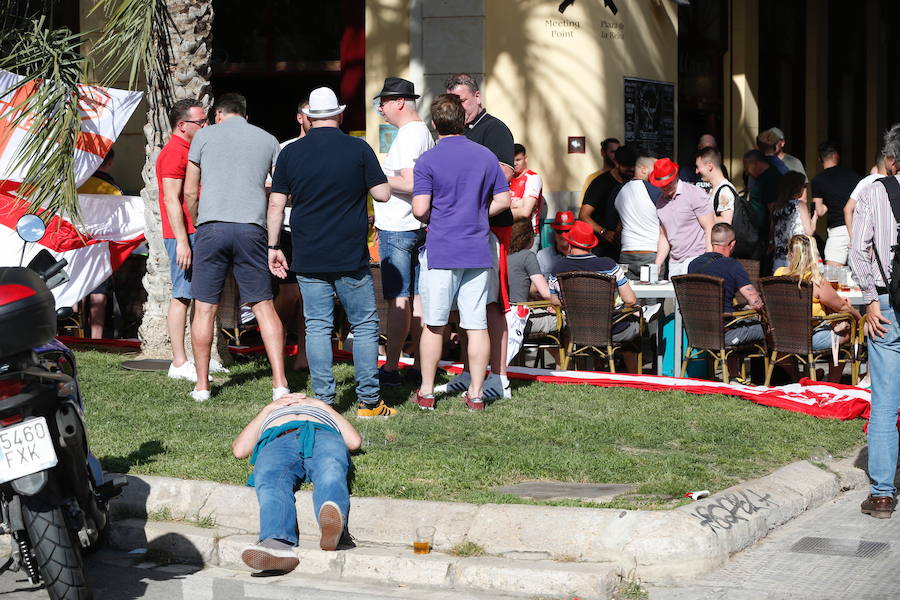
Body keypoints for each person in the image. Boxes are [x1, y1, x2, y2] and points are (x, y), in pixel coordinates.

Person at [269, 87, 395, 418]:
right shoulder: (358, 148)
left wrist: (272, 246)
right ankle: (369, 402)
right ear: (339, 116)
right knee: (365, 325)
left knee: (317, 325)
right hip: (350, 254)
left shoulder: (290, 153)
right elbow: (382, 195)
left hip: (308, 252)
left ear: (309, 118)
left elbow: (276, 202)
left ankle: (324, 400)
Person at [409, 93, 511, 411]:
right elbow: (505, 200)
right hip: (478, 247)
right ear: (464, 120)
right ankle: (477, 394)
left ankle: (426, 392)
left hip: (442, 248)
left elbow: (420, 208)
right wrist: (478, 213)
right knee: (476, 323)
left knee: (435, 323)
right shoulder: (484, 157)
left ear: (435, 124)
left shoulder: (428, 160)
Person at [184, 93, 287, 402]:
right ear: (246, 114)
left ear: (218, 115)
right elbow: (279, 191)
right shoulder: (269, 140)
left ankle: (202, 385)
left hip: (211, 227)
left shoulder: (203, 136)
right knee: (263, 305)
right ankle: (280, 383)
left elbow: (190, 191)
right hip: (251, 228)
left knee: (204, 307)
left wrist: (199, 218)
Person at [442, 73, 515, 398]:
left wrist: (465, 195)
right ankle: (469, 371)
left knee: (492, 303)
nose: (459, 107)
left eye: (463, 100)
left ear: (478, 97)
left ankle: (499, 378)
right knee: (464, 303)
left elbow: (505, 173)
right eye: (453, 102)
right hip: (461, 228)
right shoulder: (455, 132)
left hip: (491, 227)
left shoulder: (494, 129)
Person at [233, 392, 361, 572]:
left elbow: (354, 441)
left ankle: (333, 529)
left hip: (322, 434)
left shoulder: (322, 410)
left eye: (302, 398)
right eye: (288, 398)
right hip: (278, 439)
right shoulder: (271, 413)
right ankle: (275, 545)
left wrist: (322, 406)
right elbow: (240, 449)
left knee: (330, 470)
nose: (294, 400)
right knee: (270, 479)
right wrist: (268, 409)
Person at [848, 123, 900, 518]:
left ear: (890, 159)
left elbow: (858, 252)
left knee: (884, 400)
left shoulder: (872, 193)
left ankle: (882, 493)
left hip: (887, 305)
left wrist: (869, 300)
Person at [372, 77, 434, 388]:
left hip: (399, 226)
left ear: (399, 103)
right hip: (415, 226)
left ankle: (392, 367)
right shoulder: (420, 132)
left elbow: (411, 184)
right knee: (419, 300)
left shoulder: (410, 134)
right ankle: (420, 366)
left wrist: (375, 176)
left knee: (399, 300)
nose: (379, 108)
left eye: (383, 102)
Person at [154, 99, 212, 382]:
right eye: (201, 122)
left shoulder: (191, 149)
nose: (206, 125)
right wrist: (182, 241)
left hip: (195, 231)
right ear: (182, 125)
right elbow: (170, 200)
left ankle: (198, 357)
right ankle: (178, 361)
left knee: (197, 295)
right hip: (182, 234)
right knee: (181, 295)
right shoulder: (173, 152)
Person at [547, 220, 641, 373]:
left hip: (576, 331)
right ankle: (634, 376)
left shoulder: (557, 268)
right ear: (592, 245)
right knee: (635, 320)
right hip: (611, 330)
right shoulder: (609, 265)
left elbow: (555, 302)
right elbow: (630, 300)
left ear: (569, 244)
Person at [774, 234, 861, 382]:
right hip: (809, 338)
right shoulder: (814, 281)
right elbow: (842, 307)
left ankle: (798, 379)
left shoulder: (779, 274)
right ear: (812, 255)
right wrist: (860, 319)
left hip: (781, 337)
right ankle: (833, 382)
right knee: (850, 332)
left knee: (838, 327)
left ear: (789, 253)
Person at [687, 223, 765, 380]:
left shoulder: (693, 265)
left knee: (733, 319)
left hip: (697, 332)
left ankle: (734, 376)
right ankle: (768, 379)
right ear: (732, 244)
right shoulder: (733, 265)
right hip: (725, 334)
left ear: (712, 242)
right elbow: (756, 304)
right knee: (767, 328)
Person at [272, 99, 312, 372]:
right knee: (289, 295)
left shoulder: (325, 149)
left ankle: (304, 357)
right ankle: (277, 342)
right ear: (300, 118)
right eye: (310, 115)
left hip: (312, 232)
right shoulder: (284, 149)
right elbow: (275, 190)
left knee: (309, 295)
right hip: (286, 230)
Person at [78, 148, 123, 339]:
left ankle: (74, 332)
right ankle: (96, 337)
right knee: (99, 291)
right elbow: (120, 222)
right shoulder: (113, 190)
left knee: (77, 288)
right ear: (110, 163)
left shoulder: (78, 184)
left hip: (76, 244)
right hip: (100, 247)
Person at [652, 158, 715, 276]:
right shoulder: (660, 202)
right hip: (675, 262)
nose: (665, 187)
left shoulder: (694, 193)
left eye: (668, 183)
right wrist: (658, 263)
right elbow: (664, 235)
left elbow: (709, 227)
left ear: (676, 177)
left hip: (697, 258)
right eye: (661, 185)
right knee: (673, 294)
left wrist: (708, 258)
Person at [579, 144, 636, 259]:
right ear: (616, 163)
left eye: (633, 165)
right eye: (626, 165)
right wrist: (604, 232)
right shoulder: (600, 183)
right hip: (602, 248)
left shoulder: (634, 182)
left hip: (628, 247)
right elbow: (583, 215)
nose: (631, 169)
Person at [811, 140, 861, 266]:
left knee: (832, 276)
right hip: (857, 227)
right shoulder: (854, 176)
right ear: (836, 156)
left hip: (838, 230)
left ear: (819, 159)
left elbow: (820, 210)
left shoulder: (817, 180)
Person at [507, 218, 559, 337]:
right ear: (529, 238)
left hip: (504, 317)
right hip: (520, 318)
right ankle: (567, 356)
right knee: (565, 321)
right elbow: (546, 293)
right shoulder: (528, 256)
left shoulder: (504, 255)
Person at [615, 152, 661, 279]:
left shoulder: (619, 190)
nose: (658, 173)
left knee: (630, 295)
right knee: (653, 295)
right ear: (643, 169)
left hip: (627, 251)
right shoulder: (655, 191)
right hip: (650, 252)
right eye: (655, 169)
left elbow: (616, 222)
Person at [771, 171, 816, 270]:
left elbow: (772, 231)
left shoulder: (777, 206)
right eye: (804, 186)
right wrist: (815, 215)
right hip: (796, 256)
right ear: (798, 188)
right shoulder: (800, 205)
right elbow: (809, 232)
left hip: (779, 257)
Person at [742, 149, 781, 259]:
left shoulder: (771, 179)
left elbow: (773, 211)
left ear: (756, 164)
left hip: (765, 236)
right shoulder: (760, 178)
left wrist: (770, 240)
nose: (746, 172)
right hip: (758, 234)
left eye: (747, 167)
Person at [845, 153, 887, 238]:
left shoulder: (866, 181)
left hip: (866, 237)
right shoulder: (894, 181)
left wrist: (852, 238)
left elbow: (847, 209)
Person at [509, 143, 543, 244]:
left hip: (528, 235)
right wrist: (518, 204)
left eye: (518, 160)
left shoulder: (532, 178)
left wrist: (503, 211)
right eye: (512, 160)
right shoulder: (508, 178)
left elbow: (525, 212)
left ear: (526, 158)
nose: (515, 163)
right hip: (510, 233)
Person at [695, 147, 737, 224]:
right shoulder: (714, 189)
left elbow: (726, 221)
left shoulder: (725, 191)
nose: (696, 171)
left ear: (710, 166)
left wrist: (701, 218)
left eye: (698, 167)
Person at [580, 137, 621, 202]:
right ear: (603, 152)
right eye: (613, 152)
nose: (616, 155)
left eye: (618, 152)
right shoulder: (592, 178)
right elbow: (584, 204)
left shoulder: (625, 176)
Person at [537, 210, 574, 276]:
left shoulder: (581, 255)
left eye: (567, 231)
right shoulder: (542, 256)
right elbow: (534, 285)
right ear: (554, 232)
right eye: (559, 231)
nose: (563, 235)